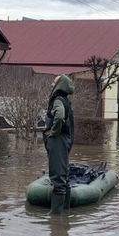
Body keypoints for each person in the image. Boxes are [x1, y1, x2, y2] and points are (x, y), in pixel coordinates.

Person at [43, 75, 75, 215]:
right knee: (64, 175)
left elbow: (60, 116)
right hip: (65, 140)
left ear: (60, 85)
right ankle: (65, 212)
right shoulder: (65, 100)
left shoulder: (57, 101)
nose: (52, 84)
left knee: (57, 176)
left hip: (58, 141)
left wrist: (54, 131)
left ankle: (55, 216)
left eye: (54, 82)